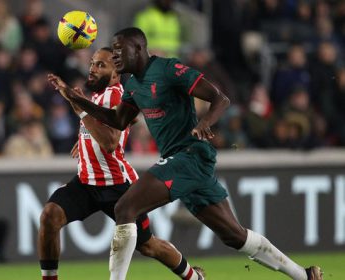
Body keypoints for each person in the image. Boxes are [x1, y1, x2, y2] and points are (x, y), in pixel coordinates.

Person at [48, 27, 323, 280]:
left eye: (119, 50)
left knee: (125, 208)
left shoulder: (169, 69)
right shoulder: (133, 86)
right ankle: (304, 275)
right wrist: (77, 99)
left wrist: (205, 122)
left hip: (190, 155)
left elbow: (220, 98)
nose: (116, 56)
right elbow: (117, 121)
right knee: (234, 236)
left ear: (138, 49)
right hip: (182, 163)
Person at [40, 48, 204, 280]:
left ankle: (194, 277)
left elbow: (109, 142)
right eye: (93, 63)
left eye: (100, 65)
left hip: (118, 186)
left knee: (149, 246)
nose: (93, 68)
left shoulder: (116, 94)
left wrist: (79, 110)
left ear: (116, 74)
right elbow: (106, 129)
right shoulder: (97, 97)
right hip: (87, 183)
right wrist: (84, 141)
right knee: (50, 215)